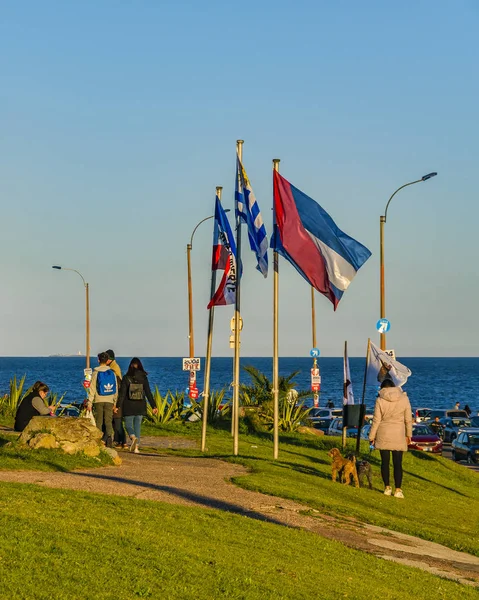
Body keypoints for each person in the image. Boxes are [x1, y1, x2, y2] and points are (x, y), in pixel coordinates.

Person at [369, 379, 412, 499]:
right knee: (398, 463)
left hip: (384, 432)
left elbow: (376, 420)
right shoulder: (404, 398)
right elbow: (408, 419)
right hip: (399, 433)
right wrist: (409, 434)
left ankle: (387, 487)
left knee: (385, 462)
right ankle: (398, 489)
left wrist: (371, 436)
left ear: (382, 388)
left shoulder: (380, 400)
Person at [117, 358, 158, 453]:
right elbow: (148, 392)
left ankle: (132, 436)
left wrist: (118, 406)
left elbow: (122, 394)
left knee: (128, 425)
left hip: (128, 405)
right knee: (137, 426)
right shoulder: (144, 377)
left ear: (130, 366)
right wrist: (153, 406)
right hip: (140, 404)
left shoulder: (126, 377)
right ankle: (136, 448)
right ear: (140, 366)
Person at [87, 352, 118, 448]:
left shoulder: (96, 373)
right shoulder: (112, 373)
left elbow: (92, 389)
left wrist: (90, 402)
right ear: (107, 360)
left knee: (99, 421)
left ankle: (99, 440)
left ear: (98, 360)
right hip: (109, 399)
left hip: (98, 400)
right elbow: (115, 388)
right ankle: (109, 439)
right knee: (108, 421)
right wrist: (115, 402)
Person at [105, 349, 127, 449]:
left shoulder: (113, 369)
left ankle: (122, 441)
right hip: (116, 399)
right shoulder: (113, 367)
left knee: (117, 422)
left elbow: (117, 385)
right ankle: (119, 440)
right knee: (115, 422)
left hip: (116, 399)